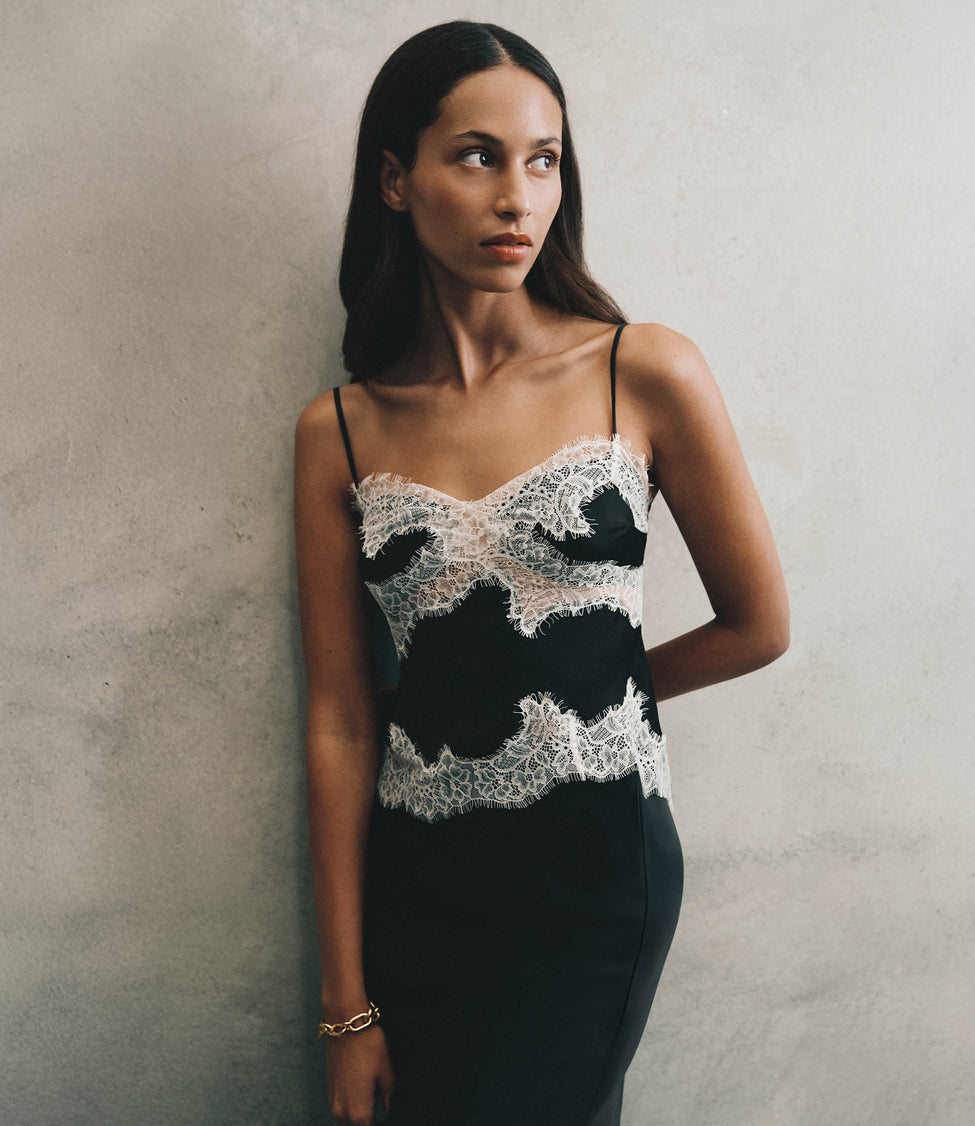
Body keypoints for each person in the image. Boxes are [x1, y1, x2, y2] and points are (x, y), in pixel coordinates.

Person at [293, 19, 789, 1126]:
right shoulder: (338, 431)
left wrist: (585, 695)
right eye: (477, 155)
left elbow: (758, 624)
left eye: (544, 159)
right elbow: (337, 720)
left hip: (594, 874)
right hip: (418, 884)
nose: (518, 195)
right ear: (393, 178)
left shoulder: (641, 368)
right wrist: (345, 1007)